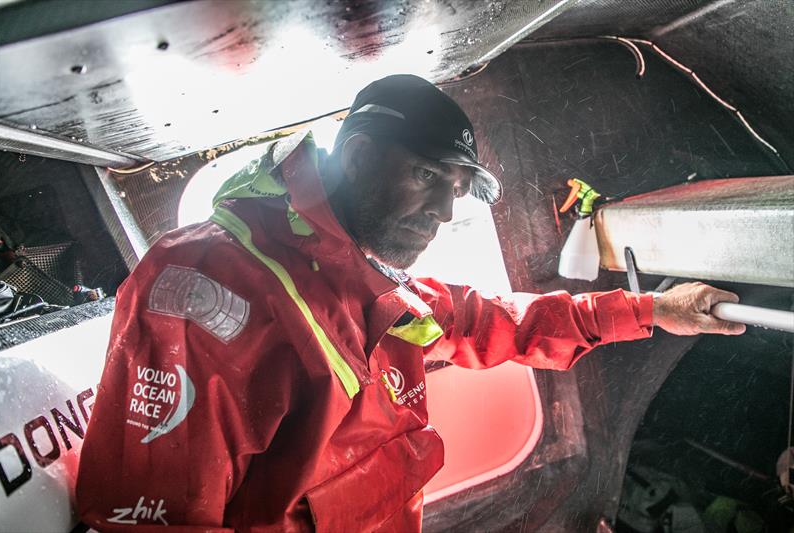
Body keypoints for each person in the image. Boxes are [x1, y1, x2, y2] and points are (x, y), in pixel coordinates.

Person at [75, 75, 745, 532]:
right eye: (428, 176)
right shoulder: (210, 284)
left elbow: (499, 321)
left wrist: (655, 310)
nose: (445, 211)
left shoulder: (373, 279)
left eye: (456, 187)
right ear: (360, 155)